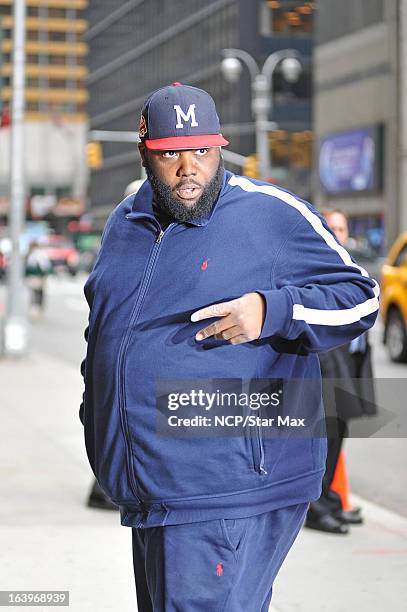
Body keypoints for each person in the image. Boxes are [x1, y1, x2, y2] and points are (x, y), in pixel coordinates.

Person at [79, 83, 379, 611]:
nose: (188, 167)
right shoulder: (124, 222)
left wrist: (273, 311)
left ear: (220, 149)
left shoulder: (269, 213)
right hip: (149, 486)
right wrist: (97, 420)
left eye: (202, 150)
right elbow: (103, 330)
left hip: (225, 486)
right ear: (146, 153)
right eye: (171, 152)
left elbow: (361, 297)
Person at [305, 208, 377, 535]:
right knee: (324, 442)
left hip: (350, 366)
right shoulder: (317, 267)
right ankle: (317, 510)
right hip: (327, 369)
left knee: (339, 441)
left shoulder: (352, 267)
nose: (337, 233)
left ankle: (332, 500)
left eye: (342, 227)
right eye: (331, 227)